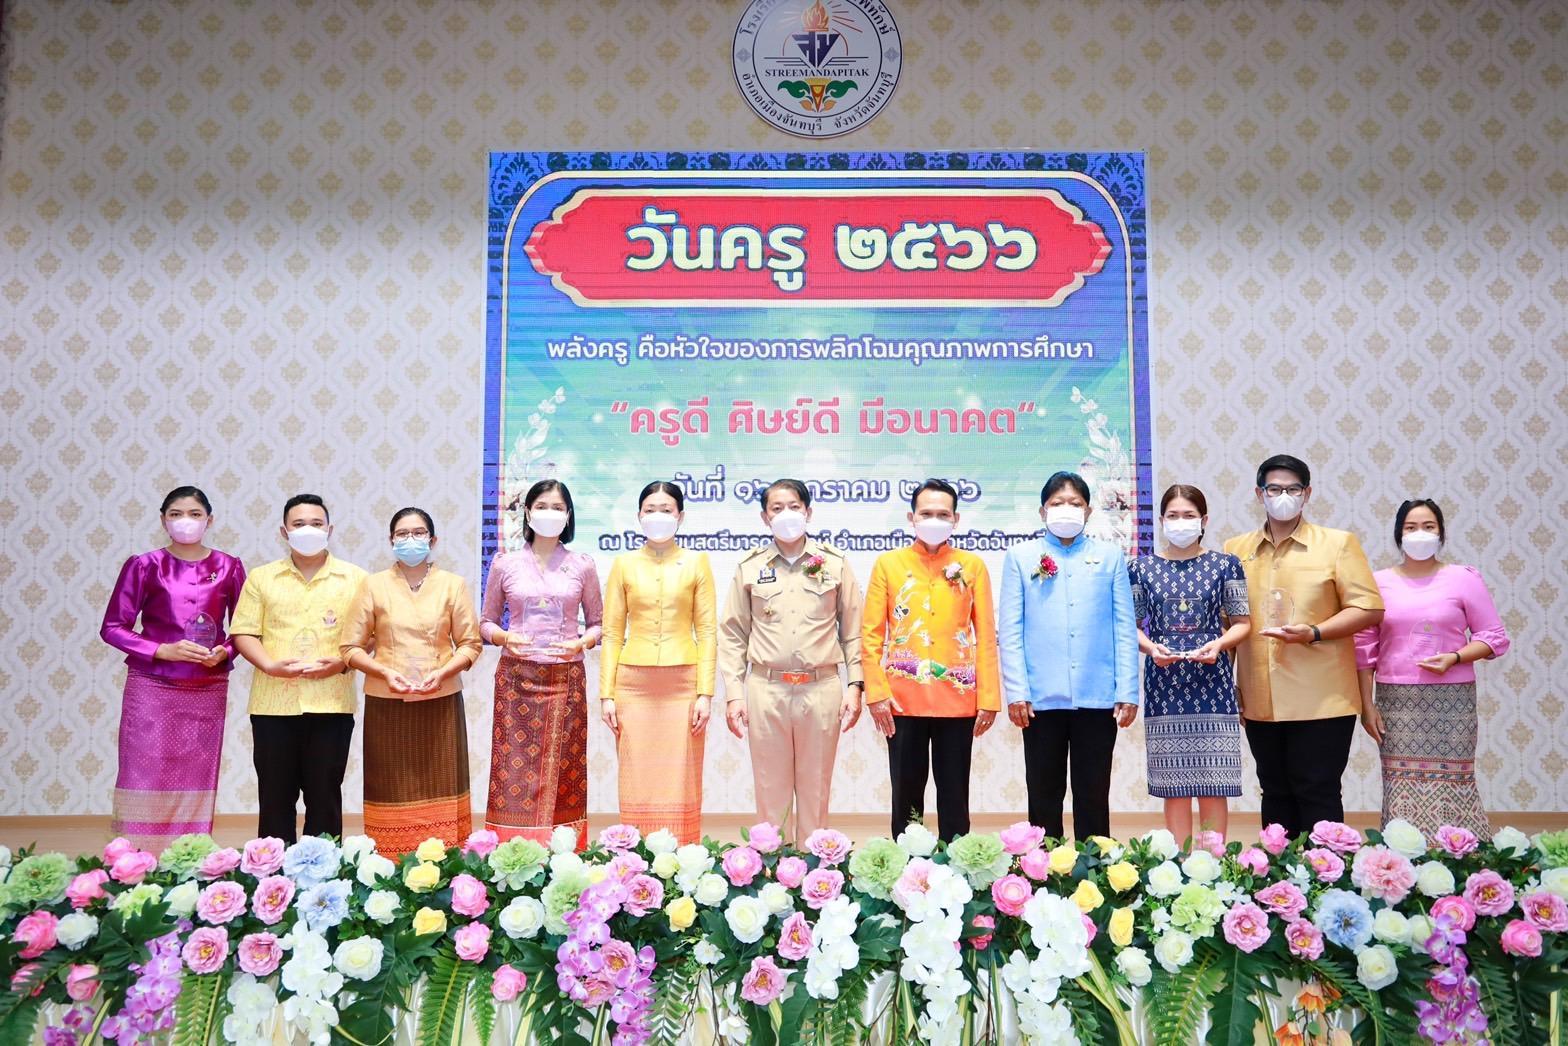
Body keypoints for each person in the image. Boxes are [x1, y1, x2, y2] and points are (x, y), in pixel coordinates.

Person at [1223, 454, 1384, 838]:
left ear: (1307, 494)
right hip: (1261, 696)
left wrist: (1314, 632)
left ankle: (1326, 871)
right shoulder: (1235, 549)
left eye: (1292, 489)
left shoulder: (1337, 544)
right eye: (1274, 489)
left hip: (1321, 697)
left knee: (1317, 791)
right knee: (1274, 791)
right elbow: (1230, 622)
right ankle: (1279, 873)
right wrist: (1229, 684)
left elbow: (1368, 608)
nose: (1284, 496)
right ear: (1259, 494)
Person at [99, 486, 246, 850]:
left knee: (197, 768)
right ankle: (135, 855)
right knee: (144, 766)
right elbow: (113, 627)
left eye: (195, 514)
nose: (185, 521)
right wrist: (161, 650)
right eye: (176, 514)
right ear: (163, 520)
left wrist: (224, 652)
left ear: (209, 520)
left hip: (207, 685)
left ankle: (190, 852)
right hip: (151, 683)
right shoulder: (144, 565)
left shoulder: (229, 567)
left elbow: (246, 629)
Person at [719, 479, 864, 844]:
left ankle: (815, 869)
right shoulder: (750, 567)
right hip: (766, 689)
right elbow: (733, 634)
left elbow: (853, 631)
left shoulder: (834, 564)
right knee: (771, 790)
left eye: (794, 507)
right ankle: (774, 869)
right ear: (764, 517)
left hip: (821, 688)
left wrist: (855, 685)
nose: (786, 514)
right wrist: (734, 694)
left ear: (808, 512)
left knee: (816, 789)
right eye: (777, 508)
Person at [1355, 499, 1509, 838]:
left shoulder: (1463, 579)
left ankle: (1461, 853)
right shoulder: (1377, 582)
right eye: (1411, 527)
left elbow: (1493, 637)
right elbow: (1364, 651)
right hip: (1396, 701)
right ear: (1398, 534)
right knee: (1398, 783)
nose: (1420, 534)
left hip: (1452, 701)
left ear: (1441, 533)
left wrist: (1455, 657)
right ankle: (1401, 855)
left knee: (1456, 780)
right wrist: (1367, 706)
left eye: (1429, 527)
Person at [998, 471, 1138, 841]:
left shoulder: (1110, 557)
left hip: (1098, 697)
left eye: (1074, 503)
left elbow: (1124, 628)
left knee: (1093, 794)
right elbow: (1010, 631)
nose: (1066, 509)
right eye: (1057, 503)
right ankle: (1044, 870)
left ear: (1088, 511)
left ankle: (1096, 871)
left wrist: (1127, 691)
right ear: (1042, 511)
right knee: (1043, 795)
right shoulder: (1021, 557)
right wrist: (1017, 692)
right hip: (1040, 699)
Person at [862, 478, 999, 842]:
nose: (934, 520)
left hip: (958, 700)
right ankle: (907, 866)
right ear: (912, 518)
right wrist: (876, 693)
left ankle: (959, 865)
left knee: (955, 796)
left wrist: (988, 699)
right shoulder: (888, 564)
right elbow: (871, 634)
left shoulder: (972, 565)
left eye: (943, 514)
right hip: (901, 701)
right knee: (906, 796)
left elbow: (986, 636)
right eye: (926, 514)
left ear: (956, 519)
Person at [341, 507, 482, 856]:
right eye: (402, 534)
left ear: (432, 541)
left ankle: (446, 860)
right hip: (387, 701)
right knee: (391, 784)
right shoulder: (373, 585)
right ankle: (390, 860)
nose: (410, 539)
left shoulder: (452, 584)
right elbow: (349, 648)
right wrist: (383, 672)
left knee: (442, 781)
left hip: (441, 698)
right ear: (391, 540)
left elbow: (470, 644)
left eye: (418, 533)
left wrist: (444, 671)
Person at [230, 494, 366, 844]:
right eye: (299, 524)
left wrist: (342, 662)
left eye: (316, 524)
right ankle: (272, 872)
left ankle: (324, 873)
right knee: (275, 797)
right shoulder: (262, 578)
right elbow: (243, 632)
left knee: (325, 797)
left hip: (332, 703)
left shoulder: (355, 579)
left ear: (330, 530)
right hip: (273, 705)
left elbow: (371, 635)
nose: (308, 530)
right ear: (284, 531)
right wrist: (270, 665)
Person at [480, 479, 602, 846]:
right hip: (517, 678)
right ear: (528, 512)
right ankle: (510, 848)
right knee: (513, 767)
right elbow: (486, 622)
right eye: (542, 506)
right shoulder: (505, 564)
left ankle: (564, 851)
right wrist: (504, 638)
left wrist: (582, 641)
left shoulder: (582, 565)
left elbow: (599, 624)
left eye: (558, 507)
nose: (550, 513)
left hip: (566, 676)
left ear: (569, 515)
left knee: (565, 766)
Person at [1128, 484, 1252, 843]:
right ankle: (1181, 864)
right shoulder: (1140, 568)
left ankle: (1214, 863)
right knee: (1175, 785)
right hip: (1164, 683)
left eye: (1189, 515)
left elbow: (1243, 623)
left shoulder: (1226, 565)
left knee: (1214, 782)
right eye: (1173, 515)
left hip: (1213, 682)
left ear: (1204, 520)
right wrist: (1151, 648)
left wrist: (1219, 644)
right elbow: (1130, 627)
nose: (1180, 522)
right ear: (1161, 521)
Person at [600, 481, 716, 844]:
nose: (658, 516)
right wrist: (606, 695)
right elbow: (612, 633)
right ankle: (635, 854)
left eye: (666, 510)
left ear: (680, 516)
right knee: (637, 772)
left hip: (683, 683)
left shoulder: (697, 562)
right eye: (650, 510)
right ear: (639, 516)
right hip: (633, 685)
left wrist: (705, 693)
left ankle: (682, 856)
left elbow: (707, 631)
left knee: (681, 775)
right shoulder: (623, 564)